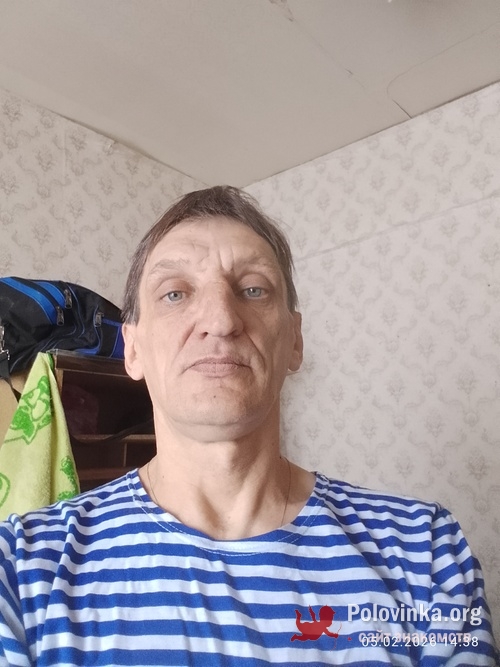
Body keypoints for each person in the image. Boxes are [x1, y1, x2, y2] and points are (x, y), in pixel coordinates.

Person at [0, 185, 497, 666]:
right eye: (175, 294)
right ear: (133, 349)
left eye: (253, 289)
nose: (220, 320)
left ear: (295, 340)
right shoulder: (21, 568)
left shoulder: (426, 551)